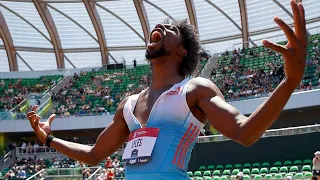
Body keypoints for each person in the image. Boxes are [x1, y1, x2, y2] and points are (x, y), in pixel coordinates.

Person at [27, 1, 307, 179]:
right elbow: (93, 155)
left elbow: (245, 132)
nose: (160, 25)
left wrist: (290, 80)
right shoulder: (128, 104)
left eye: (170, 28)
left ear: (182, 50)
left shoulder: (195, 90)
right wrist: (49, 140)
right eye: (161, 25)